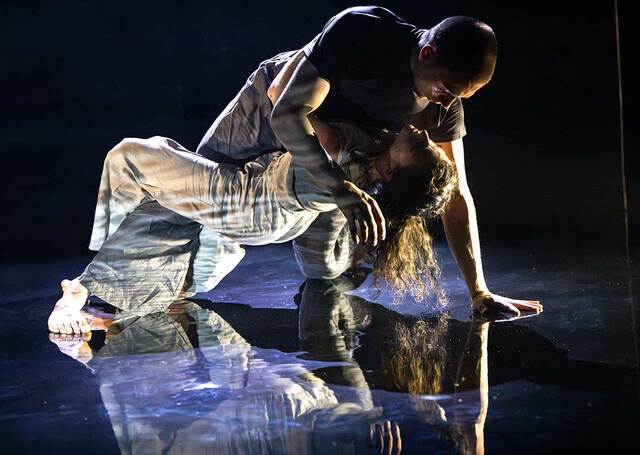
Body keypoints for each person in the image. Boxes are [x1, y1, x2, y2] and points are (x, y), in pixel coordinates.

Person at [197, 5, 541, 315]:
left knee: (334, 258)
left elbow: (456, 194)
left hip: (335, 149)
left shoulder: (442, 109)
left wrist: (479, 292)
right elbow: (284, 110)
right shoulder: (364, 30)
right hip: (272, 104)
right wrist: (341, 189)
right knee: (202, 189)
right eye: (447, 90)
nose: (448, 104)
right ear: (427, 52)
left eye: (462, 97)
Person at [47, 122, 457, 334]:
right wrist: (346, 269)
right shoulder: (362, 179)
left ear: (390, 170)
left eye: (419, 147)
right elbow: (318, 261)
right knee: (185, 274)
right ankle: (126, 299)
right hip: (266, 223)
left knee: (131, 155)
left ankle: (85, 287)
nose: (422, 134)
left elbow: (286, 100)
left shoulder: (349, 163)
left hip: (247, 202)